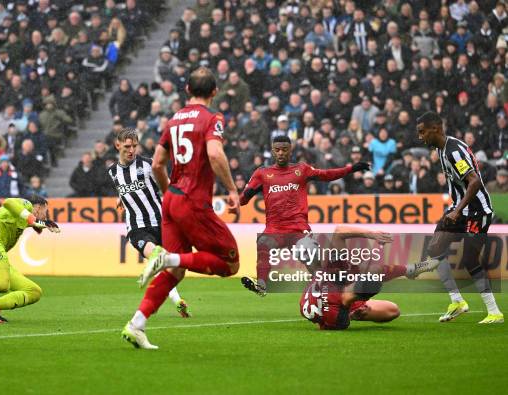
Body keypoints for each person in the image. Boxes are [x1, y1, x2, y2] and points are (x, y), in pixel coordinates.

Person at [122, 68, 240, 349]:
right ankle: (169, 258)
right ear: (214, 92)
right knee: (229, 263)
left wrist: (169, 197)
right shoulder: (213, 118)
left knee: (174, 275)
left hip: (172, 199)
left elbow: (157, 164)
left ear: (187, 89)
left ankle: (136, 324)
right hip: (193, 201)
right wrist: (232, 189)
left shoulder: (174, 120)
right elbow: (214, 153)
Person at [238, 135, 370, 296]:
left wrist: (351, 169)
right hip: (274, 229)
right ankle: (261, 285)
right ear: (272, 151)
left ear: (290, 150)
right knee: (263, 243)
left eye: (284, 150)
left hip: (298, 229)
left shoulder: (301, 170)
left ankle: (324, 290)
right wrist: (248, 194)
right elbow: (242, 201)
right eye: (277, 150)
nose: (281, 153)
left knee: (308, 253)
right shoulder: (262, 173)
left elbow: (327, 174)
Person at [416, 111, 503, 324]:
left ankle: (494, 312)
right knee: (435, 248)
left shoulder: (454, 151)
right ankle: (457, 301)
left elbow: (474, 182)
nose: (420, 137)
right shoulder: (441, 147)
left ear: (435, 128)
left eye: (422, 131)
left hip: (477, 211)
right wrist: (455, 209)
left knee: (470, 260)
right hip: (459, 209)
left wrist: (457, 210)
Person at [108, 128, 190, 318]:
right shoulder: (112, 172)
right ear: (117, 145)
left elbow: (167, 187)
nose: (131, 150)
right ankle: (176, 300)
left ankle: (177, 300)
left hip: (160, 222)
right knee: (156, 256)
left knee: (168, 267)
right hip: (136, 227)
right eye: (127, 146)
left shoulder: (149, 165)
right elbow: (123, 187)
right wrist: (121, 197)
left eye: (134, 146)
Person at [300, 226, 440, 330]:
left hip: (322, 293)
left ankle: (409, 270)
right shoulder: (337, 315)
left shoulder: (335, 273)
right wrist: (351, 315)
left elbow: (339, 231)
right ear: (362, 299)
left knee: (368, 268)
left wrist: (372, 234)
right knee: (394, 310)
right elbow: (324, 326)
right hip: (326, 304)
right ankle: (408, 270)